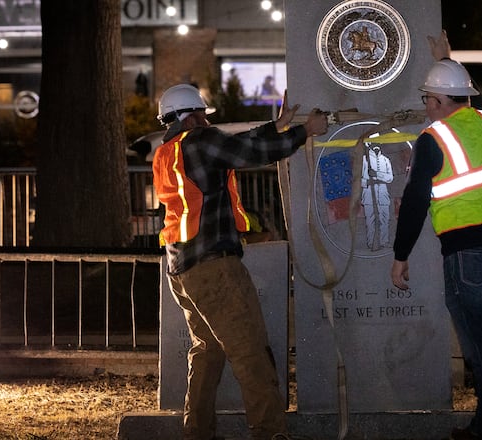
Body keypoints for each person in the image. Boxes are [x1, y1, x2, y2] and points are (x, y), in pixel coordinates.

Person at [152, 83, 328, 440]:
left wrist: (276, 125)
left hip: (182, 269)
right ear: (193, 115)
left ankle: (197, 431)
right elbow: (250, 151)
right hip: (215, 267)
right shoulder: (201, 140)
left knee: (207, 351)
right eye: (203, 113)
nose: (206, 118)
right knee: (250, 352)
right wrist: (303, 131)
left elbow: (235, 146)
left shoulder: (167, 152)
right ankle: (270, 433)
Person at [390, 31, 482, 440]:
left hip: (468, 256)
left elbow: (415, 201)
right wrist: (447, 58)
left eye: (428, 99)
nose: (425, 107)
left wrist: (400, 256)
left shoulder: (433, 139)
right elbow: (475, 98)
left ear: (439, 101)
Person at [360, 141, 394, 249]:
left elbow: (390, 178)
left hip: (383, 194)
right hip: (369, 194)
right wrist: (367, 181)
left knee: (384, 219)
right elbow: (358, 179)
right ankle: (371, 243)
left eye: (378, 143)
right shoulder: (364, 160)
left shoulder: (385, 160)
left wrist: (377, 175)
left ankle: (384, 241)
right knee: (370, 220)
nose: (376, 145)